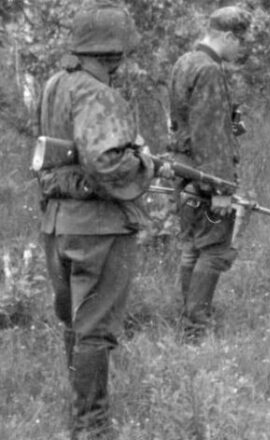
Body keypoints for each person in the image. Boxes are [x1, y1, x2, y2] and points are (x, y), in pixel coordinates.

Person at [36, 1, 154, 437]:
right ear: (114, 52)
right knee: (95, 331)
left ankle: (80, 418)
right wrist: (145, 164)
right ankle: (92, 428)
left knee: (75, 323)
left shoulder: (55, 85)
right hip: (98, 228)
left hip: (58, 223)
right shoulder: (97, 92)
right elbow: (107, 164)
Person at [168, 6, 251, 341]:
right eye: (240, 43)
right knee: (214, 250)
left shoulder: (184, 62)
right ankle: (195, 328)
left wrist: (231, 123)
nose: (240, 50)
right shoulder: (211, 70)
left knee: (192, 247)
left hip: (184, 169)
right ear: (229, 36)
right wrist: (221, 187)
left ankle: (188, 321)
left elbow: (186, 122)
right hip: (206, 174)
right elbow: (209, 134)